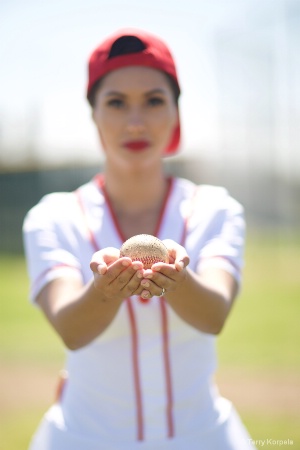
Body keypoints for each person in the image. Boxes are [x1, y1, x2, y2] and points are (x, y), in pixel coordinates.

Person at [23, 28, 255, 450]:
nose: (135, 121)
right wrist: (105, 290)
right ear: (93, 113)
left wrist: (179, 280)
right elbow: (71, 329)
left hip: (203, 437)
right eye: (115, 103)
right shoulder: (53, 215)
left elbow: (214, 315)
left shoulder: (216, 208)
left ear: (176, 113)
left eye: (153, 100)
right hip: (82, 438)